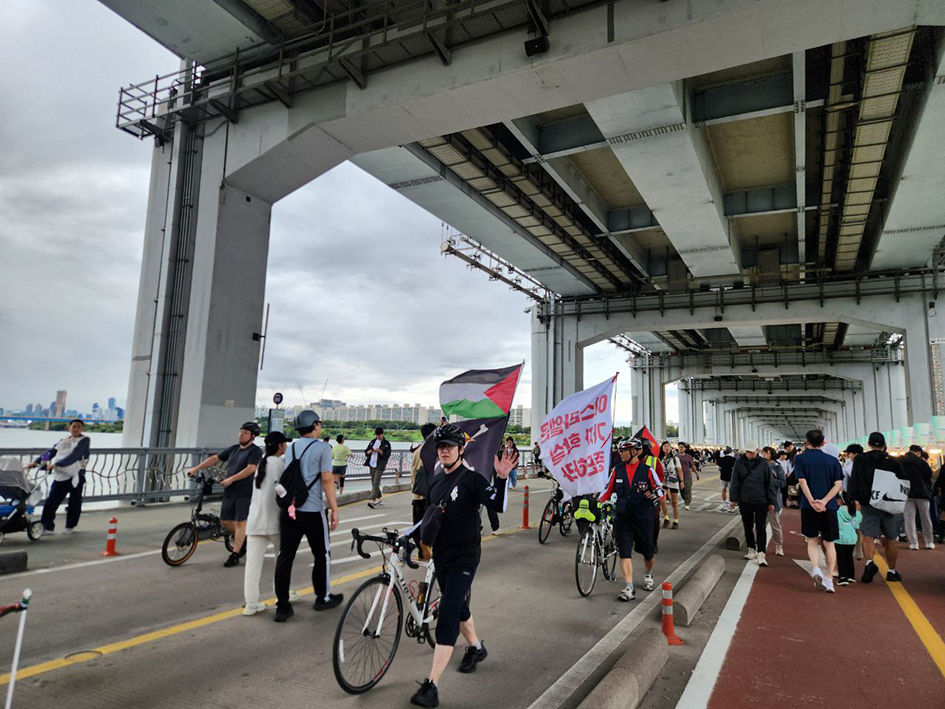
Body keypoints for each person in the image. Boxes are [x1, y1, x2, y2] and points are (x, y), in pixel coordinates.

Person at [409, 424, 516, 708]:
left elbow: (498, 504)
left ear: (460, 449)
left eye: (450, 446)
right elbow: (429, 518)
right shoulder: (435, 480)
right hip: (441, 556)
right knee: (459, 607)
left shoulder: (472, 479)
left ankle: (431, 686)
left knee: (448, 613)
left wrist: (502, 477)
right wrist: (408, 537)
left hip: (465, 558)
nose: (444, 450)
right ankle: (477, 648)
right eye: (440, 447)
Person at [274, 410, 342, 622]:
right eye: (319, 423)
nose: (320, 426)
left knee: (285, 556)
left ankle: (282, 606)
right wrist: (334, 509)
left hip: (290, 511)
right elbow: (327, 480)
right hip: (313, 511)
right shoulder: (322, 447)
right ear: (313, 425)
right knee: (322, 554)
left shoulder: (292, 447)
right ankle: (322, 597)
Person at [187, 421, 262, 567]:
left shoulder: (255, 451)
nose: (241, 434)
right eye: (240, 431)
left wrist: (231, 479)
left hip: (244, 492)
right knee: (225, 522)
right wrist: (196, 468)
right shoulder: (234, 449)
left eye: (245, 432)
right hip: (230, 491)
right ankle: (244, 537)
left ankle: (235, 554)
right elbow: (215, 459)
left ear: (253, 436)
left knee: (241, 522)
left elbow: (251, 468)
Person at [599, 438, 660, 601]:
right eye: (620, 451)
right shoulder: (617, 470)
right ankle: (629, 587)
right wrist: (598, 503)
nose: (621, 454)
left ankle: (648, 574)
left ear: (634, 452)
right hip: (623, 517)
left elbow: (660, 491)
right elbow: (607, 490)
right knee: (624, 551)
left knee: (648, 552)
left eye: (624, 451)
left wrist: (653, 495)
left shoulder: (647, 470)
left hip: (643, 518)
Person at [848, 432, 907, 583]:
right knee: (891, 537)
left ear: (869, 444)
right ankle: (892, 571)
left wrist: (854, 498)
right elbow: (903, 481)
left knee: (868, 535)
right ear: (884, 445)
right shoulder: (893, 461)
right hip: (889, 504)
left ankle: (869, 563)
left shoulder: (861, 459)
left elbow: (854, 479)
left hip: (868, 503)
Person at [243, 431, 288, 615]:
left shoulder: (262, 462)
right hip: (274, 521)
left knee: (252, 566)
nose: (286, 445)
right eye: (284, 443)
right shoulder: (278, 463)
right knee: (282, 562)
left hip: (254, 521)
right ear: (279, 446)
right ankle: (282, 596)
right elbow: (283, 490)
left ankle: (251, 604)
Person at [794, 429, 844, 593]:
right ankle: (829, 578)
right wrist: (824, 501)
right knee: (829, 543)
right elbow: (838, 485)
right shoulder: (833, 461)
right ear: (824, 443)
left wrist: (812, 501)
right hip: (829, 507)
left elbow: (802, 482)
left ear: (807, 442)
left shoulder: (800, 458)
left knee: (812, 540)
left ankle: (815, 568)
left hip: (808, 506)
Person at [29, 419, 90, 534]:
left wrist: (56, 464)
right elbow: (51, 452)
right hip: (61, 475)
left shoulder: (84, 440)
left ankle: (70, 526)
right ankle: (47, 526)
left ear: (82, 429)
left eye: (78, 427)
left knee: (74, 502)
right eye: (74, 427)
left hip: (76, 475)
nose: (76, 429)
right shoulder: (64, 439)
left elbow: (74, 455)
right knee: (52, 501)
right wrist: (36, 463)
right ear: (69, 428)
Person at [730, 442, 777, 567]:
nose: (748, 454)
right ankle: (751, 549)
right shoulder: (739, 463)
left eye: (751, 452)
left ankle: (761, 552)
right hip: (745, 500)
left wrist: (772, 501)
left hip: (761, 500)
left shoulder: (764, 464)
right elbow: (735, 481)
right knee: (747, 525)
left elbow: (769, 483)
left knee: (761, 527)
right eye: (747, 452)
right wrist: (733, 499)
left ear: (757, 450)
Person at [901, 444, 935, 550]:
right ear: (919, 453)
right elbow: (928, 475)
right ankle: (929, 542)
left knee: (909, 518)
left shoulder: (901, 460)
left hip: (906, 493)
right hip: (921, 493)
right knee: (925, 518)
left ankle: (913, 543)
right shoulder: (920, 461)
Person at [411, 423, 437, 527]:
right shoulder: (436, 450)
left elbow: (413, 472)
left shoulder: (417, 451)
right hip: (431, 496)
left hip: (417, 495)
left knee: (417, 527)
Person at [762, 446, 786, 556]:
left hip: (773, 499)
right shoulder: (759, 465)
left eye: (766, 453)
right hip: (760, 498)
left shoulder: (777, 467)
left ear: (771, 454)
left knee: (775, 524)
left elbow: (782, 482)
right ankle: (758, 545)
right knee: (758, 524)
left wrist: (769, 481)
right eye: (763, 453)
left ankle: (779, 545)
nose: (764, 455)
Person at [836, 496, 862, 586]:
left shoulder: (839, 511)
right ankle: (851, 575)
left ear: (840, 501)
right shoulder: (855, 511)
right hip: (852, 538)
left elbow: (837, 524)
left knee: (841, 557)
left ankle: (843, 577)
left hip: (840, 538)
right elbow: (857, 523)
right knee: (849, 556)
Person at [366, 427, 392, 509]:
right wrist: (370, 451)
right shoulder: (373, 442)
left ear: (382, 434)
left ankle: (372, 500)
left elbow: (387, 455)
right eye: (376, 435)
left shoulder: (386, 443)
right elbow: (366, 451)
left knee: (376, 481)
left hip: (380, 465)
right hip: (372, 464)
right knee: (373, 482)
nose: (378, 437)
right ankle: (380, 498)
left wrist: (379, 451)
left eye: (379, 435)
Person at [659, 441, 682, 529]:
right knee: (662, 501)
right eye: (664, 446)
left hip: (673, 482)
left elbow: (679, 470)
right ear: (662, 448)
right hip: (663, 482)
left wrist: (682, 481)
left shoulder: (675, 459)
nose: (666, 448)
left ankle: (676, 521)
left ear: (671, 448)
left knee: (674, 502)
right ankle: (666, 518)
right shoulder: (660, 459)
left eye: (668, 446)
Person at [677, 443, 699, 511]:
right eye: (679, 447)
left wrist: (696, 473)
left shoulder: (688, 456)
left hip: (687, 475)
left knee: (687, 490)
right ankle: (685, 500)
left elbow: (692, 466)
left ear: (685, 448)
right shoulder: (675, 456)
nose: (681, 448)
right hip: (678, 476)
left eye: (682, 447)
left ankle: (687, 504)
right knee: (682, 491)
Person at [717, 448, 737, 513]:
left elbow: (719, 468)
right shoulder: (734, 460)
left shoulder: (721, 459)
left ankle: (725, 505)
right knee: (732, 492)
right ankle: (732, 507)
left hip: (723, 477)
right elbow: (735, 469)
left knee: (723, 490)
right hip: (731, 478)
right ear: (731, 452)